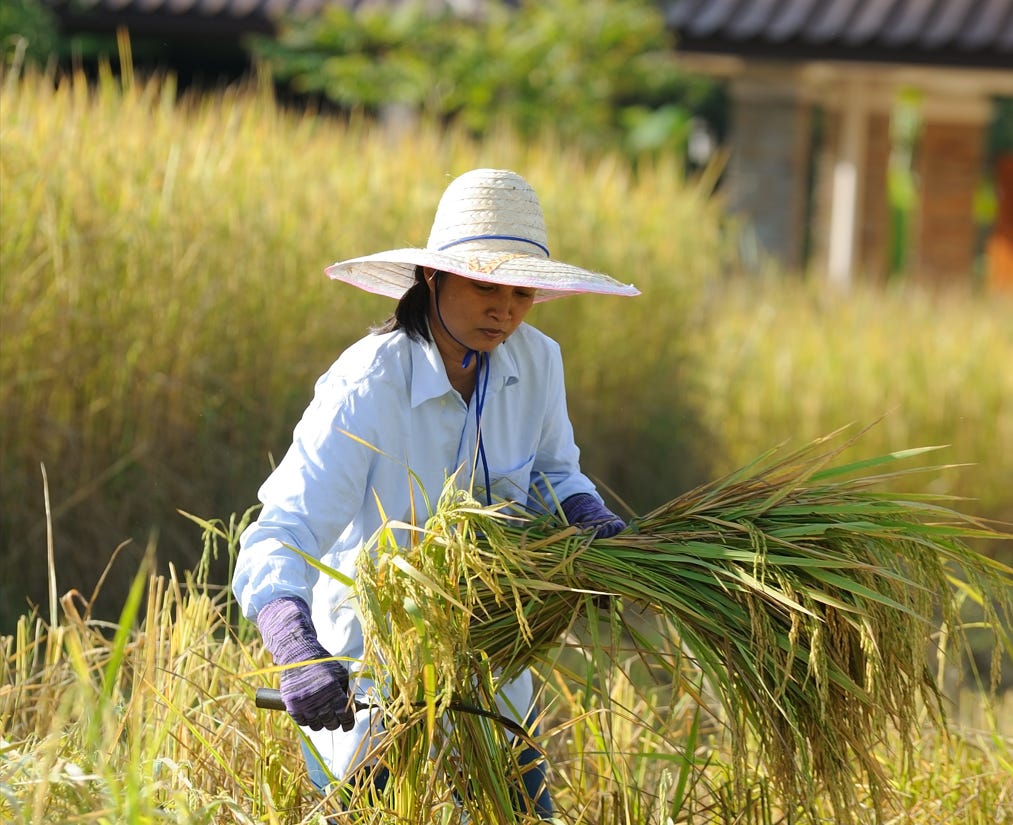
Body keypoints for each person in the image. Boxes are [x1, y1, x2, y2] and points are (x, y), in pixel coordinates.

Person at [232, 168, 639, 817]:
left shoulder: (536, 362)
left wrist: (589, 520)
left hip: (489, 669)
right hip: (366, 682)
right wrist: (296, 651)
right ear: (432, 277)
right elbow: (280, 533)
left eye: (520, 291)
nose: (503, 308)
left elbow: (551, 475)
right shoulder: (367, 386)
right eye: (484, 285)